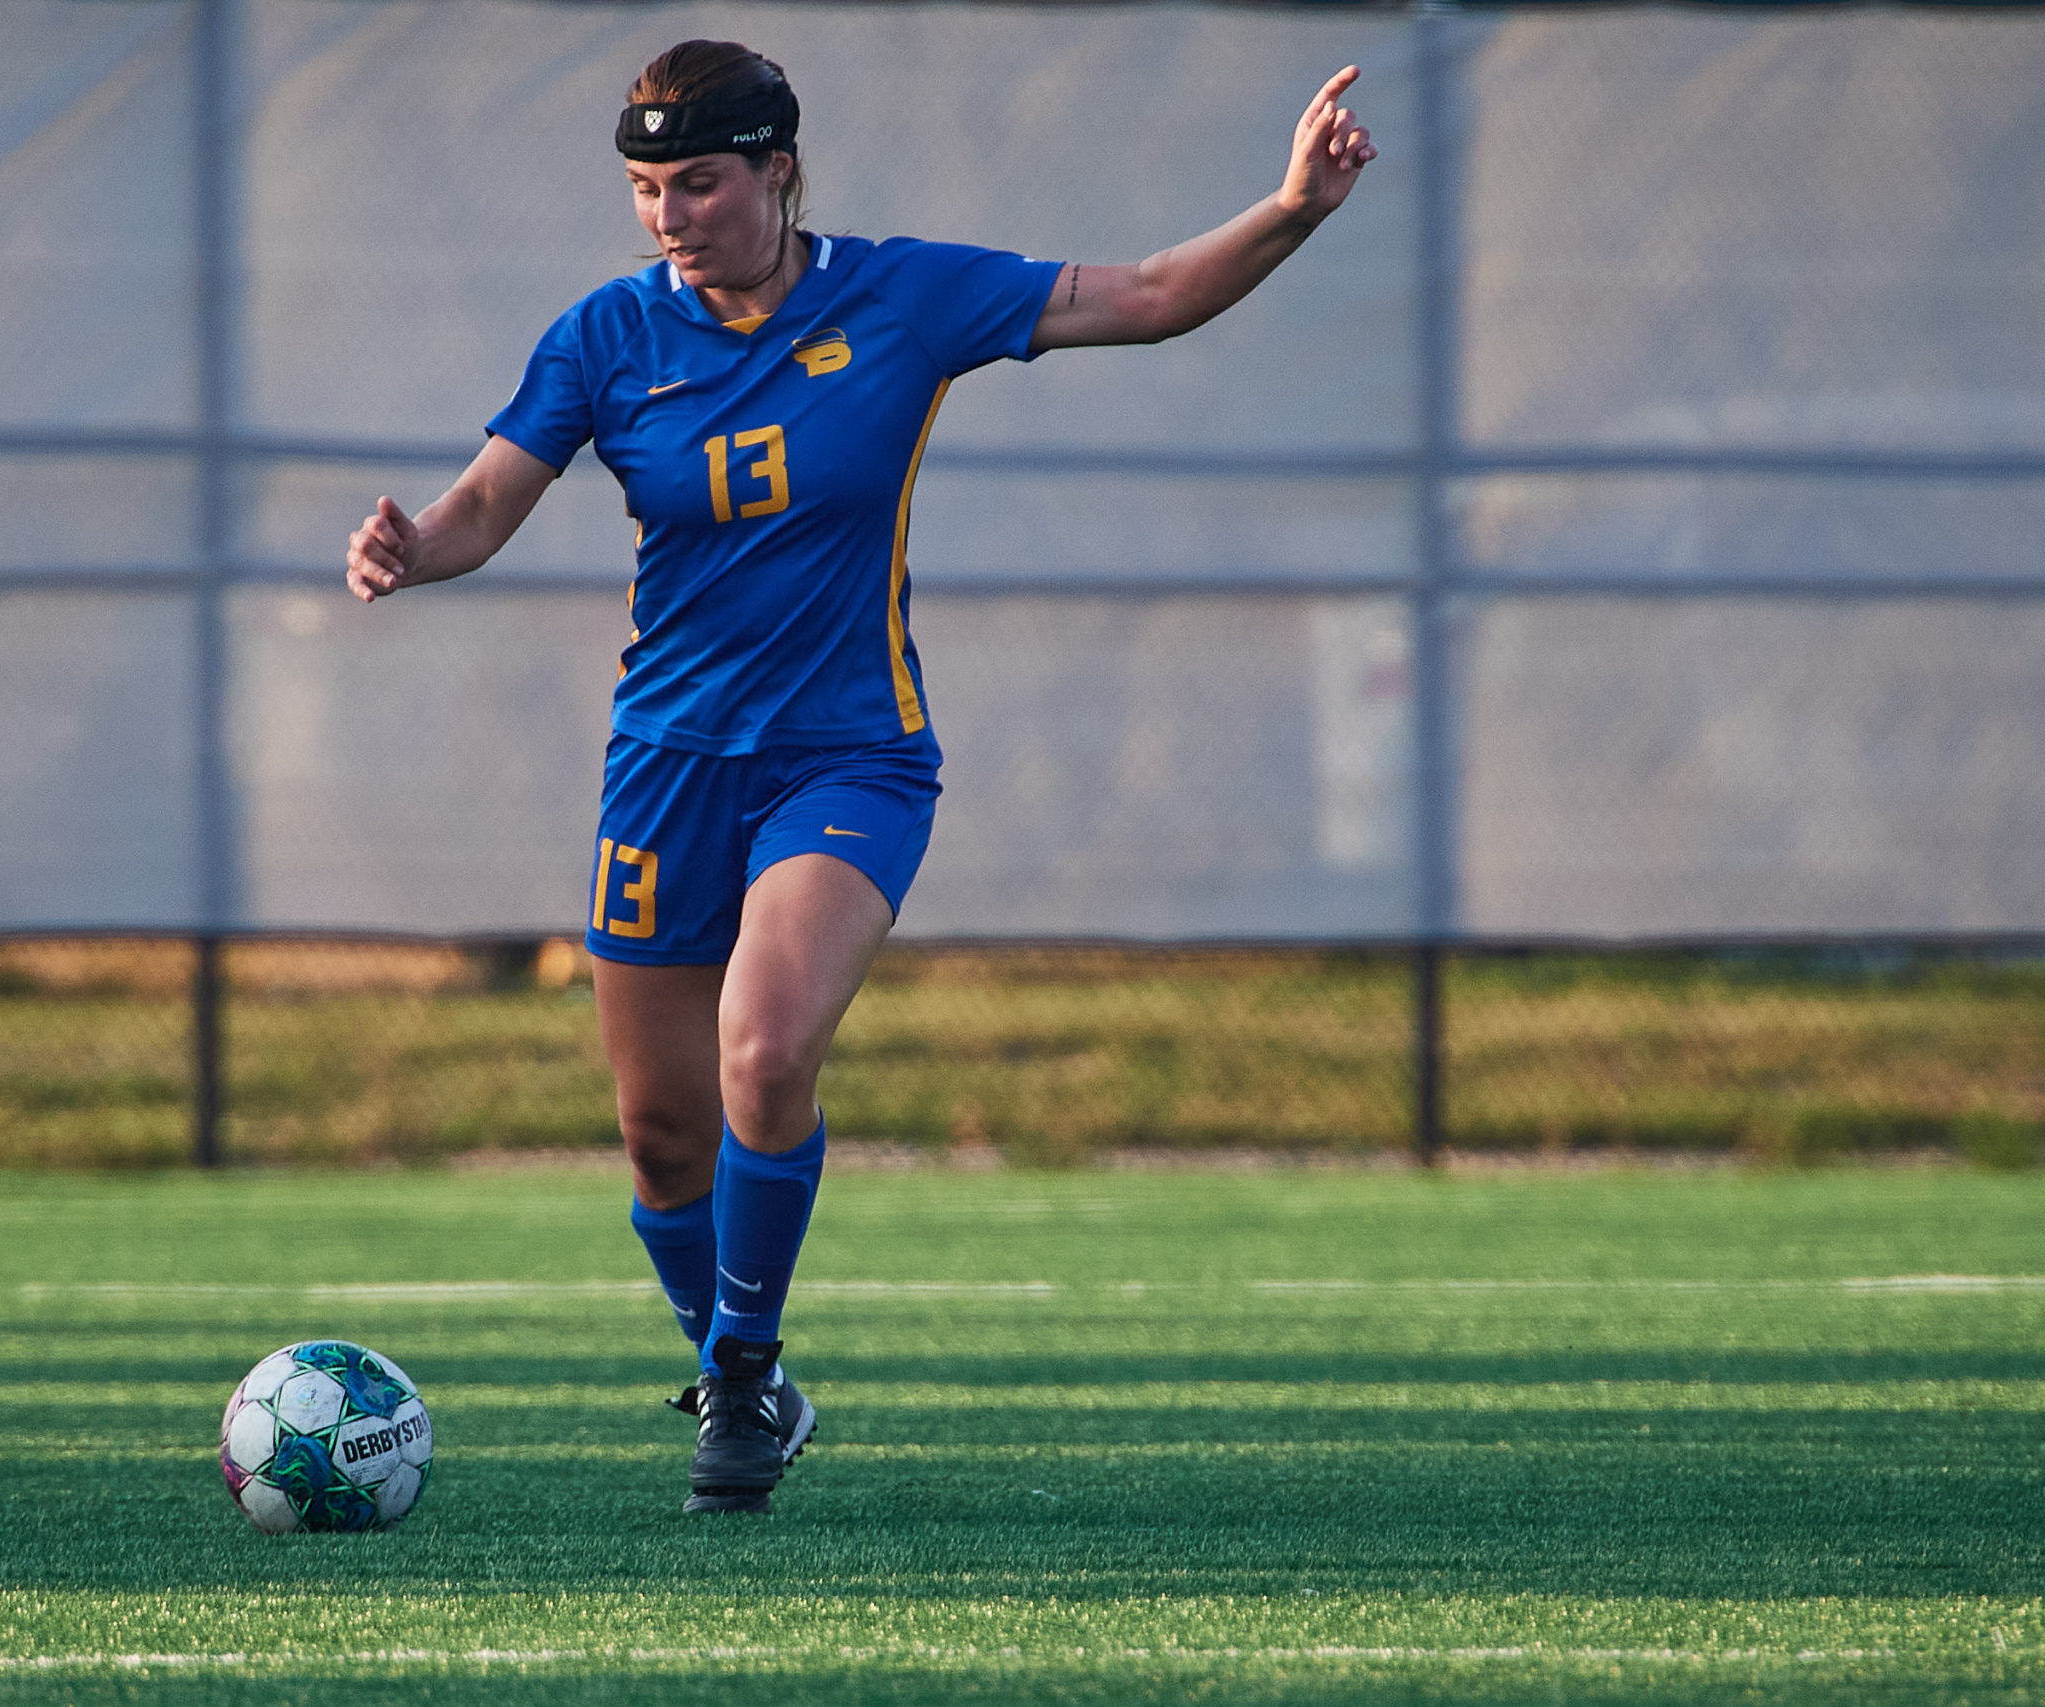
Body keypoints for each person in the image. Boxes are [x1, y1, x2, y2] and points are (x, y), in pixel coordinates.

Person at [346, 39, 1375, 1513]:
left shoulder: (902, 296)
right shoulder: (604, 337)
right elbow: (485, 505)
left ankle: (745, 1380)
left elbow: (1144, 298)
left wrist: (1290, 211)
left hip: (848, 758)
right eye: (645, 189)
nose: (669, 216)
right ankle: (735, 1371)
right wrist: (411, 549)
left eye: (697, 181)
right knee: (659, 1136)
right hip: (665, 770)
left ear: (778, 168)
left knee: (765, 1052)